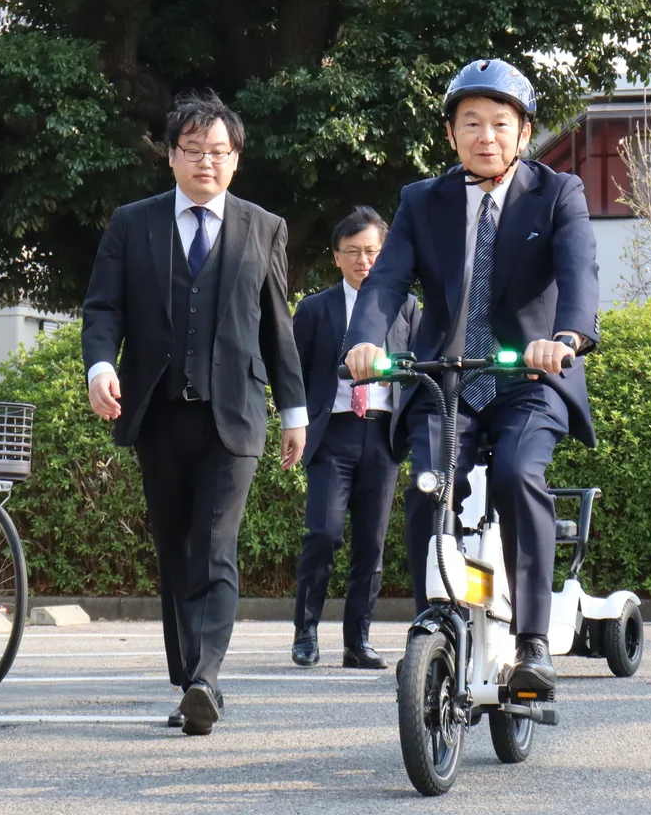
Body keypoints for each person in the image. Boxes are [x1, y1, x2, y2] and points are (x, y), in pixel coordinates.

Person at [344, 59, 600, 693]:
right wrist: (365, 343)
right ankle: (434, 614)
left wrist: (565, 338)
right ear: (452, 134)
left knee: (516, 473)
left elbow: (579, 272)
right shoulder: (420, 201)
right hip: (445, 378)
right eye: (471, 123)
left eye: (500, 123)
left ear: (523, 131)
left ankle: (533, 641)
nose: (485, 136)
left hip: (529, 380)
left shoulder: (557, 192)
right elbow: (384, 282)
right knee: (431, 484)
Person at [81, 90, 307, 735]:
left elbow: (276, 327)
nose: (206, 161)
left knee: (214, 543)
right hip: (157, 411)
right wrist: (101, 366)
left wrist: (295, 410)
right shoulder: (133, 223)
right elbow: (104, 308)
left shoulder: (264, 227)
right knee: (176, 548)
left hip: (233, 412)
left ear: (235, 159)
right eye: (192, 150)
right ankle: (189, 682)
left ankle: (207, 676)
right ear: (171, 156)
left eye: (219, 151)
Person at [291, 207, 420, 669]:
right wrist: (297, 423)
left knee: (372, 543)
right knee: (323, 535)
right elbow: (293, 373)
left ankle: (357, 641)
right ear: (336, 257)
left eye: (372, 251)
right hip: (333, 435)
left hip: (383, 437)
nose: (363, 260)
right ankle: (306, 632)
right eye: (353, 252)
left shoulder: (404, 307)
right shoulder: (314, 309)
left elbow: (418, 371)